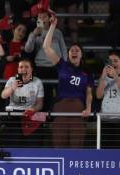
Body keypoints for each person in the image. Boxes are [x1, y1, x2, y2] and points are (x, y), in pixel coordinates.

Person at [43, 15, 92, 148]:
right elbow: (46, 48)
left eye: (77, 50)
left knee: (76, 147)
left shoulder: (87, 72)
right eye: (71, 50)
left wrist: (88, 108)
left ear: (81, 55)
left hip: (78, 109)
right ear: (68, 54)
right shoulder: (62, 65)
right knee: (59, 146)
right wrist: (52, 26)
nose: (74, 51)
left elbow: (89, 93)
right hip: (61, 108)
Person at [0, 58, 44, 147]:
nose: (23, 69)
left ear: (31, 69)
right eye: (21, 67)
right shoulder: (12, 79)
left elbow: (40, 104)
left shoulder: (37, 82)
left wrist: (33, 109)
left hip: (30, 114)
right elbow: (3, 95)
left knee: (32, 143)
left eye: (26, 67)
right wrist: (12, 87)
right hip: (13, 114)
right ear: (18, 69)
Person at [96, 50, 120, 148]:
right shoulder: (103, 78)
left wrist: (116, 77)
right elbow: (98, 96)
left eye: (115, 61)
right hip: (105, 119)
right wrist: (103, 77)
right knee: (106, 150)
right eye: (110, 61)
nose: (112, 63)